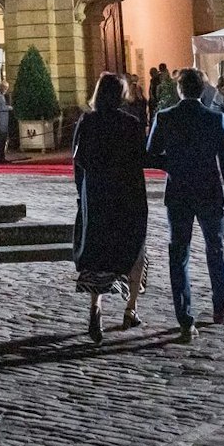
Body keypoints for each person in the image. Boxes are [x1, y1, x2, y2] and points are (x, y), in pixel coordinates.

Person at [145, 69, 224, 343]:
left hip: (179, 192)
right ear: (202, 91)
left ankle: (185, 320)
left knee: (179, 255)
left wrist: (173, 164)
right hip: (210, 191)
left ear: (179, 90)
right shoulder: (215, 118)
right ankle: (220, 305)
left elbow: (151, 155)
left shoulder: (165, 117)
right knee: (215, 249)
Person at [72, 73, 149, 342]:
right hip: (127, 196)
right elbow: (142, 158)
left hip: (98, 195)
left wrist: (82, 193)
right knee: (135, 249)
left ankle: (96, 307)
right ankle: (131, 309)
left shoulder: (87, 121)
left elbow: (78, 160)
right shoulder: (130, 123)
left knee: (99, 253)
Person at [0, 76, 17, 163]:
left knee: (3, 140)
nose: (6, 90)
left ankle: (2, 157)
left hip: (4, 121)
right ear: (1, 87)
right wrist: (7, 108)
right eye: (5, 88)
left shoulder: (1, 94)